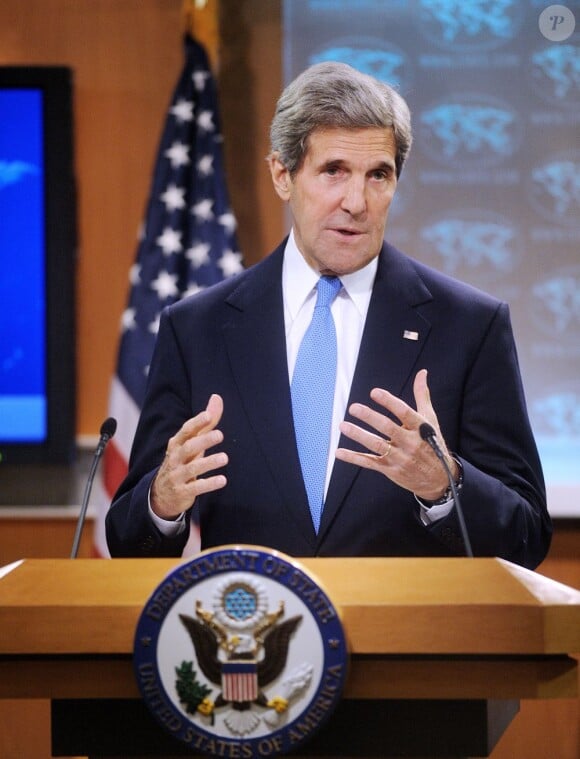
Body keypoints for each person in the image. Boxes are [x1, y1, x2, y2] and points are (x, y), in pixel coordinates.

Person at [106, 62, 551, 569]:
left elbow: (528, 537)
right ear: (282, 174)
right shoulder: (197, 329)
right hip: (250, 636)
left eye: (378, 175)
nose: (356, 202)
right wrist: (162, 502)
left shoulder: (469, 326)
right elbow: (128, 541)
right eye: (333, 171)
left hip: (410, 641)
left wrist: (442, 486)